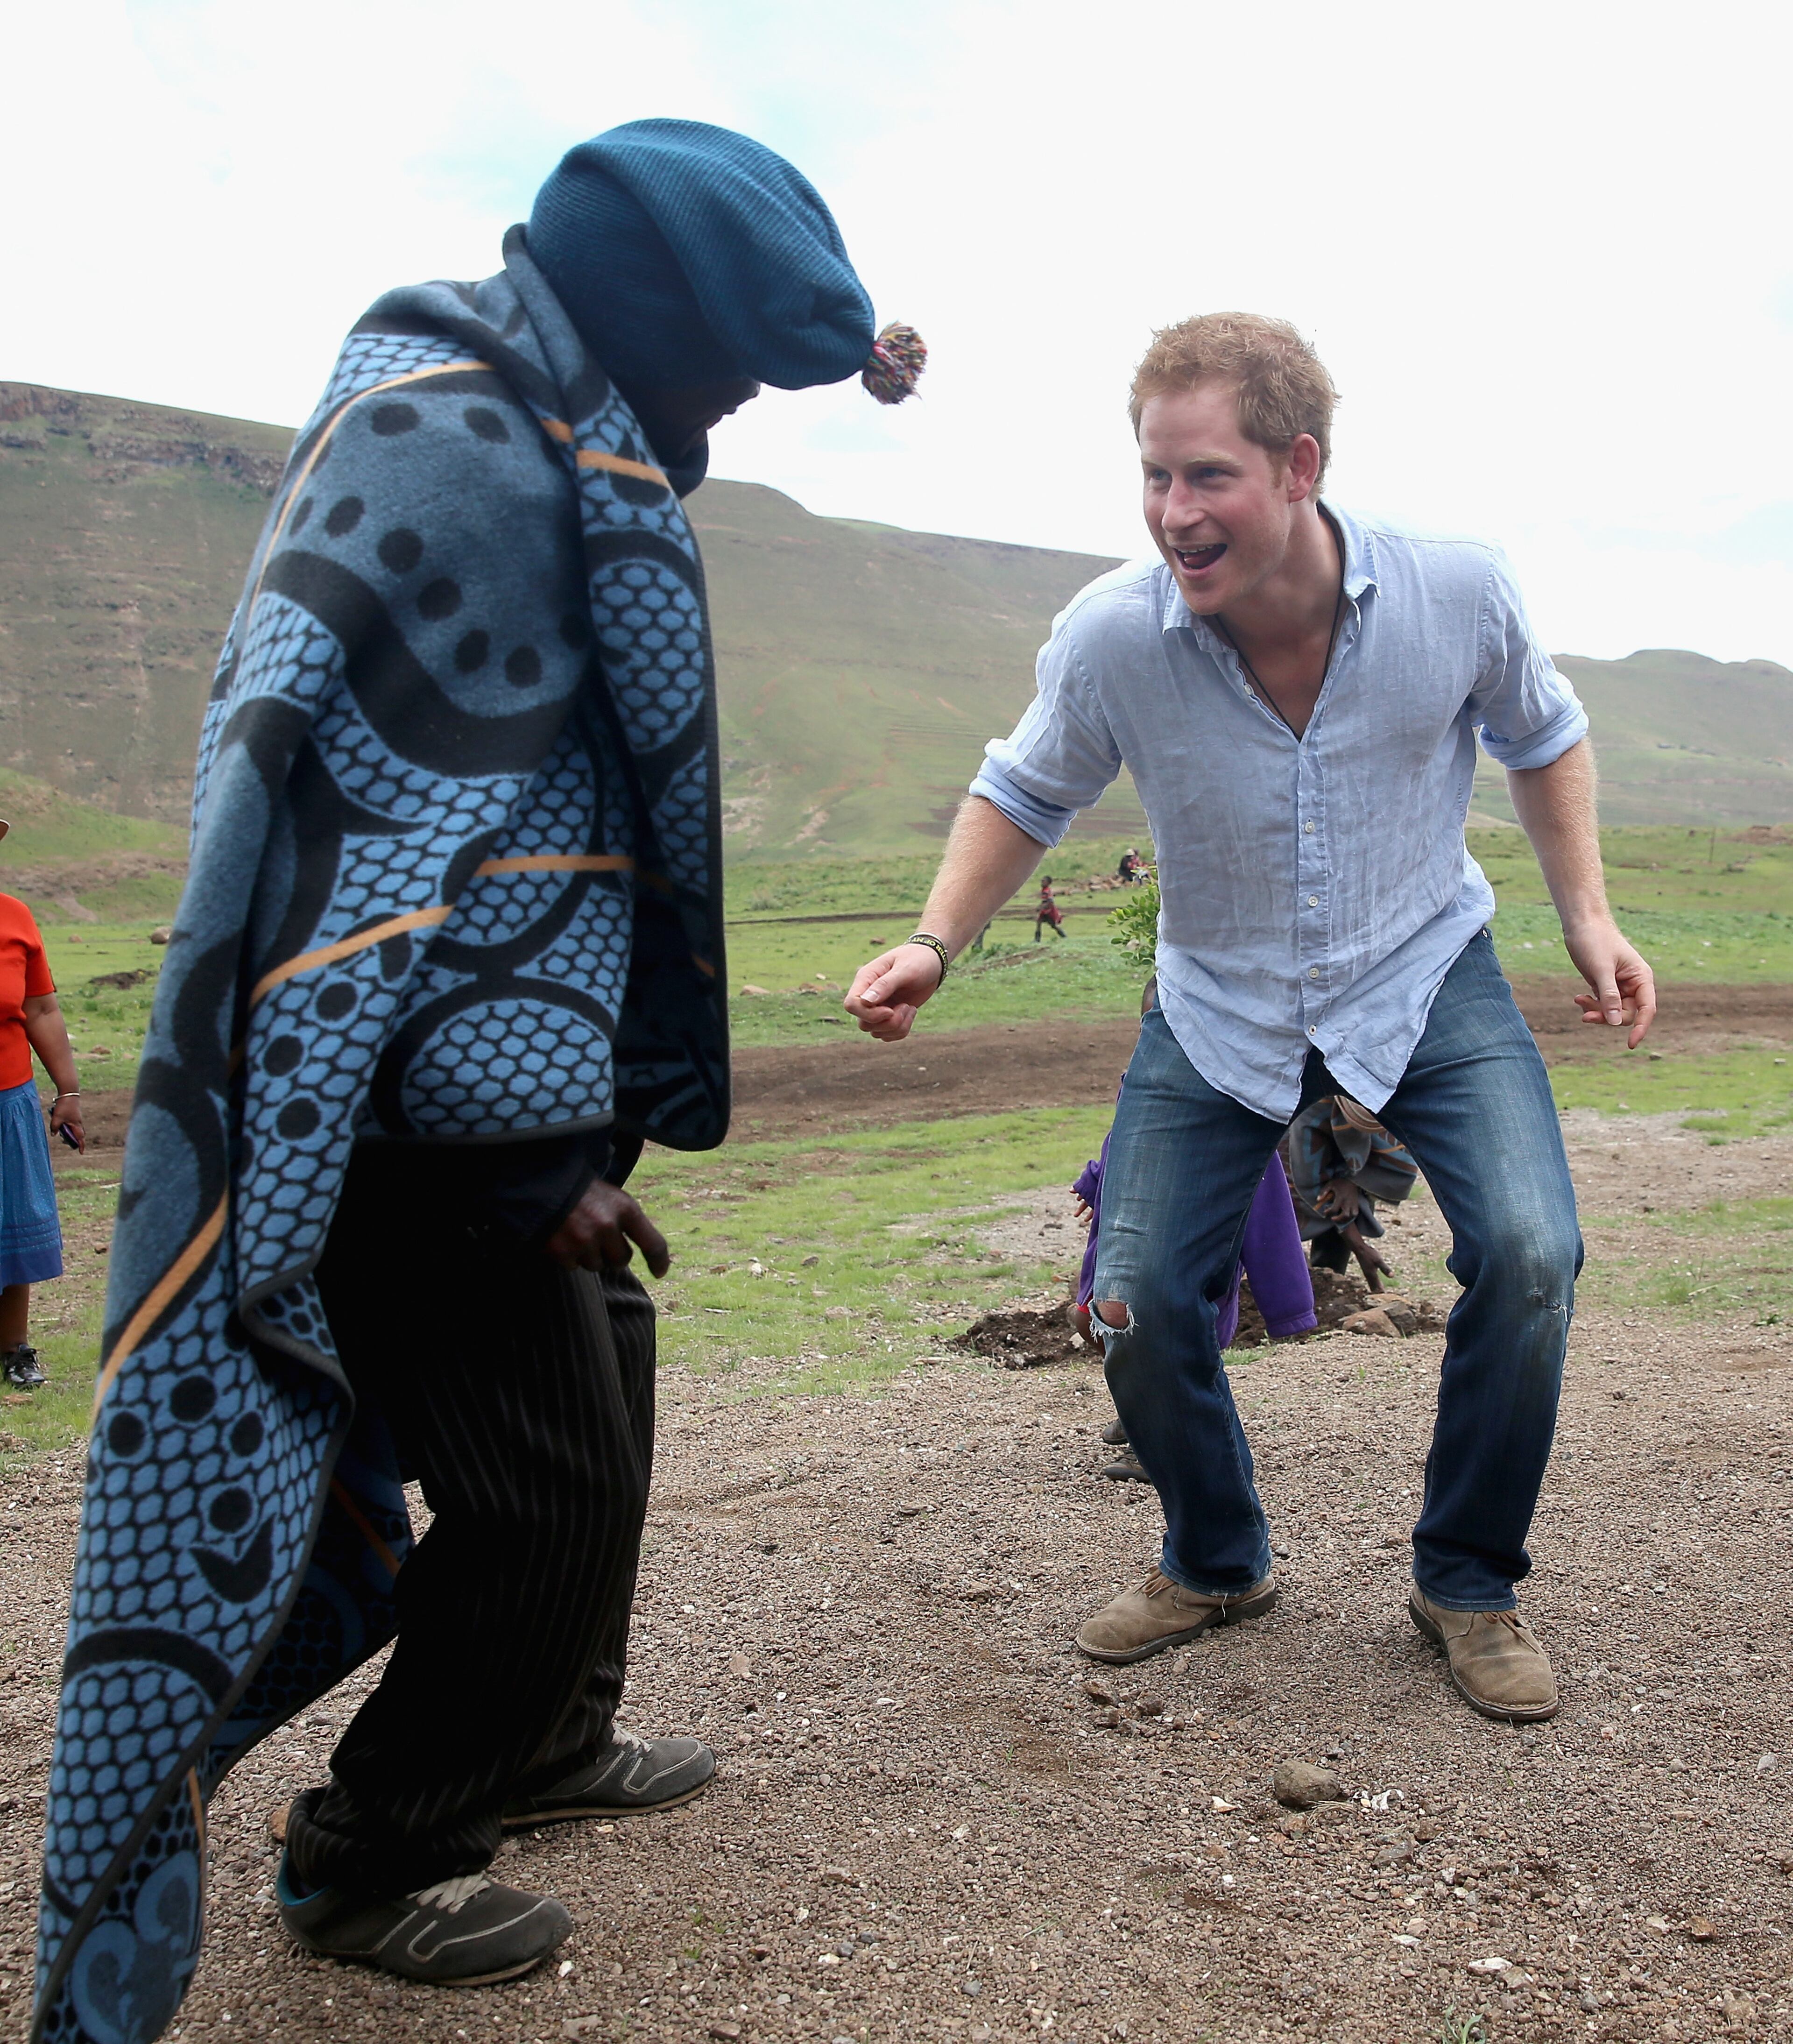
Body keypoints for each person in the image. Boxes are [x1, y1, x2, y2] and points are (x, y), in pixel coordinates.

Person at [39, 120, 925, 2036]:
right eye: (730, 377)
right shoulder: (465, 463)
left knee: (600, 1411)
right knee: (535, 1499)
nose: (731, 423)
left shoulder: (542, 418)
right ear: (645, 317)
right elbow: (407, 849)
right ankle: (369, 1848)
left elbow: (531, 786)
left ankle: (543, 1733)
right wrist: (522, 1161)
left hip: (517, 1107)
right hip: (398, 1127)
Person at [847, 312, 1654, 1727]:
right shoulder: (1113, 637)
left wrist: (1584, 915)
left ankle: (1462, 1578)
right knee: (1139, 1297)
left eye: (1205, 476)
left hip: (1421, 969)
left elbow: (1541, 732)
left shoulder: (1454, 592)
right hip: (1216, 998)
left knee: (1531, 1251)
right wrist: (933, 939)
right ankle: (1216, 1558)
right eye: (1154, 477)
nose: (1173, 513)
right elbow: (1025, 788)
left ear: (1296, 466)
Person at [0, 829, 84, 1390]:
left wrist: (69, 1091)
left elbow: (42, 1007)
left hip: (9, 1098)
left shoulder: (15, 918)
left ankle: (14, 1349)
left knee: (13, 1221)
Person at [1281, 1091, 1418, 1291]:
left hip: (1354, 1133)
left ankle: (1327, 1285)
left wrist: (1353, 1181)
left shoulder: (1401, 1098)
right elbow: (1309, 1177)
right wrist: (1361, 1249)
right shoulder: (1313, 1109)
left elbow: (1401, 1156)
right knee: (1281, 1212)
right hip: (1297, 1135)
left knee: (1350, 1203)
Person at [1035, 875, 1066, 941]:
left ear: (1048, 883)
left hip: (1049, 911)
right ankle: (1037, 940)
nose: (1042, 883)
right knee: (1039, 922)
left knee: (1053, 925)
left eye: (1044, 881)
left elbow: (1050, 902)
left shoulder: (1047, 891)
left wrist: (1042, 907)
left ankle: (1064, 936)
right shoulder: (1044, 890)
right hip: (1045, 910)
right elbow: (1045, 901)